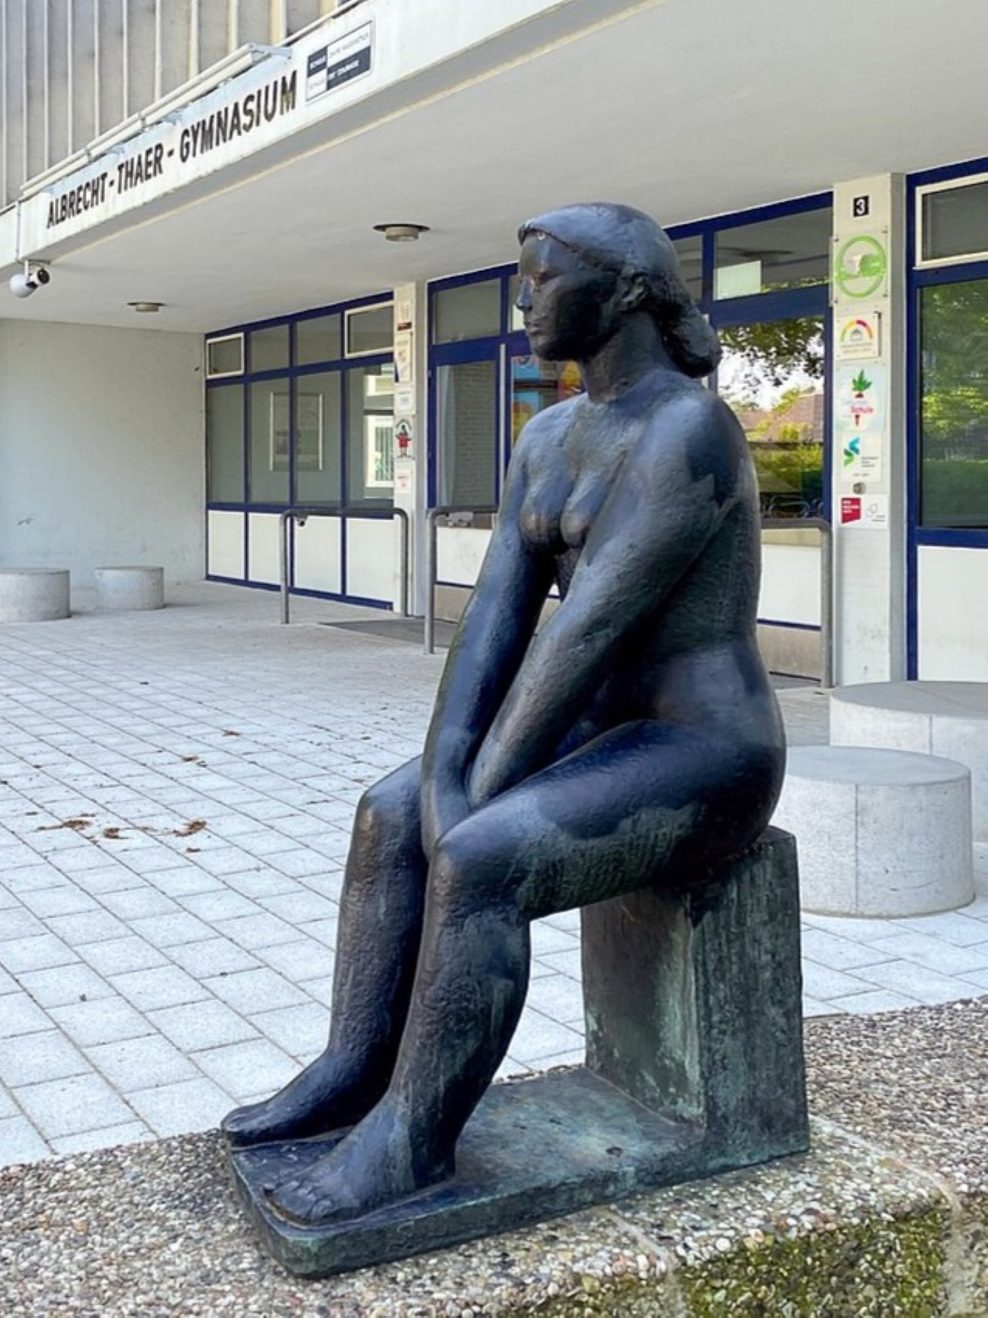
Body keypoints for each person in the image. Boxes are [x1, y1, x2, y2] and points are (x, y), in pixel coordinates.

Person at [222, 202, 786, 1227]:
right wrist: (443, 775)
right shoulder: (552, 435)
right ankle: (355, 1066)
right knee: (389, 812)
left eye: (541, 277)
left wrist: (474, 802)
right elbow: (489, 630)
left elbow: (585, 637)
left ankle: (413, 1139)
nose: (522, 299)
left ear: (620, 293)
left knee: (481, 855)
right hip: (597, 733)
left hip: (706, 749)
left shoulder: (688, 428)